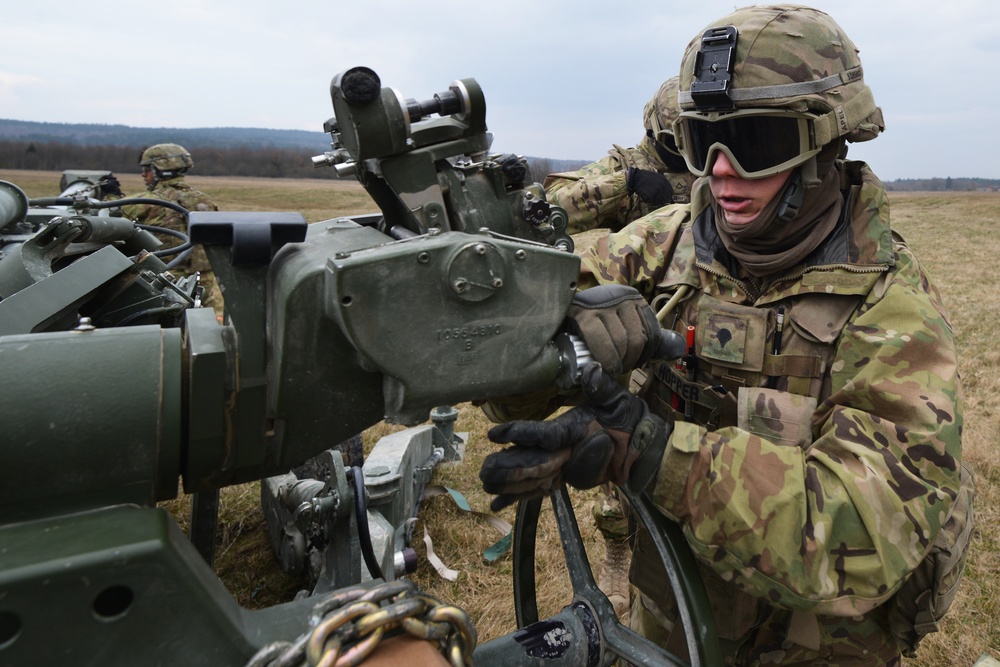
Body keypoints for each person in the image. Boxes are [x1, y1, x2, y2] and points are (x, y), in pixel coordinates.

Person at [479, 5, 973, 665]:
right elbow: (512, 374)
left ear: (826, 143)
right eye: (700, 140)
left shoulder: (894, 310)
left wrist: (651, 452)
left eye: (755, 143)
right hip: (674, 621)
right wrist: (550, 350)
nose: (720, 169)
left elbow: (859, 535)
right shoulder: (661, 247)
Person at [546, 77, 697, 618]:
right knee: (623, 445)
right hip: (632, 322)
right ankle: (617, 552)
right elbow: (551, 205)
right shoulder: (629, 165)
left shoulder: (715, 159)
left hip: (700, 317)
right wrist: (623, 189)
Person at [544, 76, 695, 234]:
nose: (686, 149)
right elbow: (547, 208)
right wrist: (625, 182)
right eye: (674, 140)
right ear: (653, 130)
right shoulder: (623, 166)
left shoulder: (715, 163)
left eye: (694, 137)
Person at [121, 143, 220, 305]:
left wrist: (110, 196)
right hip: (204, 278)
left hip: (166, 277)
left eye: (146, 169)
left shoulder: (144, 202)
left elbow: (108, 219)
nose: (143, 175)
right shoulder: (205, 200)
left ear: (158, 170)